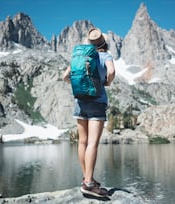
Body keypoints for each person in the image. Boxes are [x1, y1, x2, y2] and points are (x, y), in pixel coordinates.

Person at [63, 28, 115, 197]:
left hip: (80, 102)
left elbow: (65, 76)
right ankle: (89, 183)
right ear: (104, 42)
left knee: (82, 142)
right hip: (96, 102)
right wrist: (106, 82)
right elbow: (112, 72)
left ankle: (86, 178)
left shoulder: (81, 56)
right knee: (92, 143)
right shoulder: (105, 56)